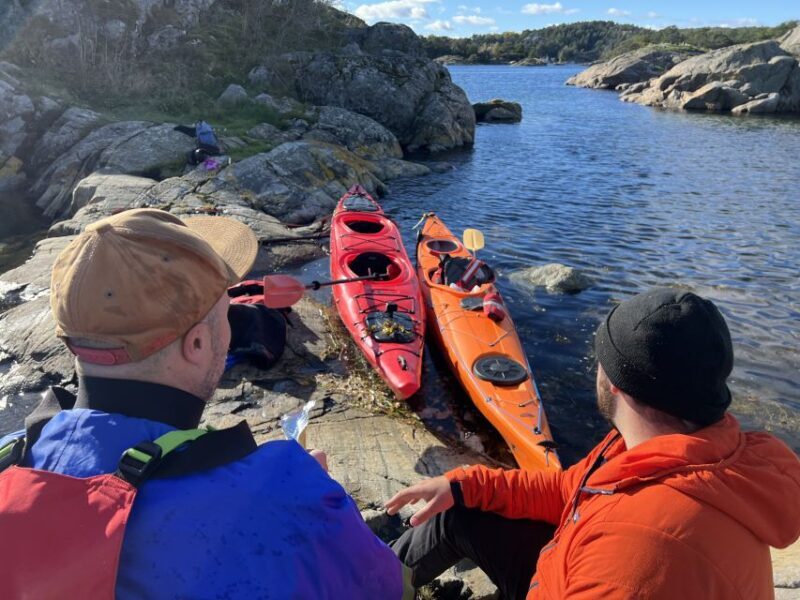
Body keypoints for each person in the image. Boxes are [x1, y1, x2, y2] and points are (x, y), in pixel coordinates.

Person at [0, 208, 411, 599]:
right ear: (196, 343)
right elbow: (391, 587)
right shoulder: (286, 494)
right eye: (226, 310)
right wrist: (323, 504)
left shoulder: (14, 453)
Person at [386, 288, 800, 599]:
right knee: (457, 509)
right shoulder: (666, 447)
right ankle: (369, 579)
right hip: (566, 567)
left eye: (601, 356)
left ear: (618, 385)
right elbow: (570, 489)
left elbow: (629, 557)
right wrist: (464, 485)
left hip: (576, 575)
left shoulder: (639, 554)